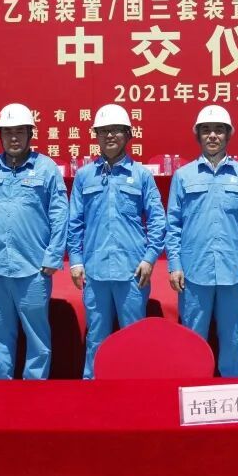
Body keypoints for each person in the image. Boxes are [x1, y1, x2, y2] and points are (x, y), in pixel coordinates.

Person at [0, 103, 67, 380]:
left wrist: (53, 256)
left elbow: (60, 214)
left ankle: (34, 388)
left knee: (37, 336)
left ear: (30, 134)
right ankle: (0, 388)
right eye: (8, 132)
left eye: (20, 131)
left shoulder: (46, 169)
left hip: (34, 268)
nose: (14, 138)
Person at [68, 104, 165, 379]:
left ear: (128, 135)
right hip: (95, 271)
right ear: (96, 136)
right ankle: (92, 387)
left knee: (133, 337)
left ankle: (135, 388)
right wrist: (75, 261)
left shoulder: (142, 175)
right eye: (103, 131)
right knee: (96, 338)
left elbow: (158, 220)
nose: (109, 135)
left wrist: (149, 259)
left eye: (116, 130)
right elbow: (74, 223)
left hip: (132, 272)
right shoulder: (84, 176)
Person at [166, 104, 238, 378]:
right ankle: (192, 390)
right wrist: (175, 265)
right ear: (198, 135)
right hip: (194, 273)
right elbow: (173, 225)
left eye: (219, 130)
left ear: (228, 135)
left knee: (233, 339)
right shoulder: (183, 176)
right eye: (206, 130)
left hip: (234, 272)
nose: (212, 135)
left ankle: (235, 389)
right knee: (192, 339)